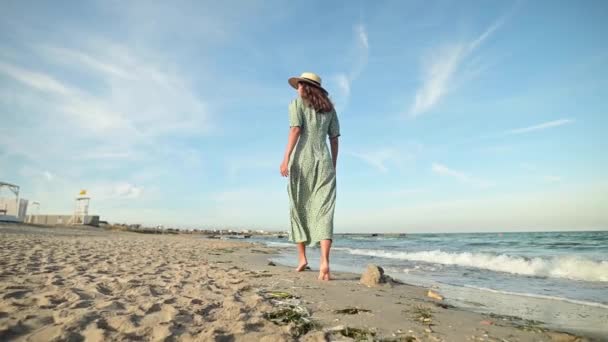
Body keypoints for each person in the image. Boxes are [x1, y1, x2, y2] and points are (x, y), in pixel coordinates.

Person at [280, 72, 340, 281]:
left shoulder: (297, 104)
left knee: (298, 206)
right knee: (324, 210)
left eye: (301, 85)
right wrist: (333, 164)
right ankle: (324, 261)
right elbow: (334, 139)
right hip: (324, 161)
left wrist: (285, 158)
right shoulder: (329, 109)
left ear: (307, 87)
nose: (298, 88)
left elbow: (295, 130)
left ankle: (303, 259)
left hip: (302, 160)